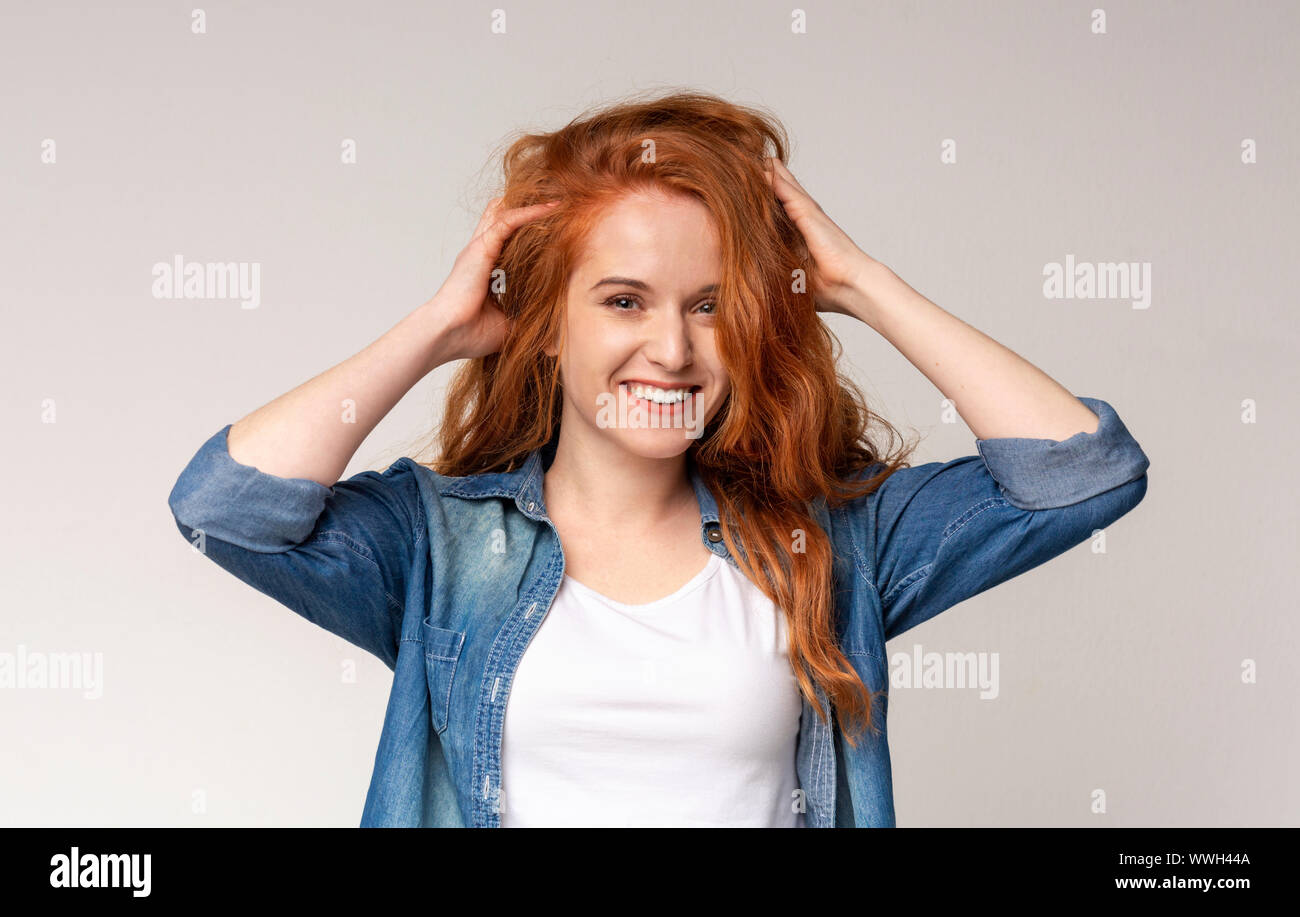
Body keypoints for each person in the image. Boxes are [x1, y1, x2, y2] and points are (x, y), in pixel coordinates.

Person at [167, 90, 1150, 827]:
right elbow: (226, 504)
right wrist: (434, 329)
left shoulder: (828, 541)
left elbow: (1083, 473)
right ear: (548, 325)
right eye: (623, 300)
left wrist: (861, 281)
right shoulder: (436, 546)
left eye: (711, 303)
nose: (673, 350)